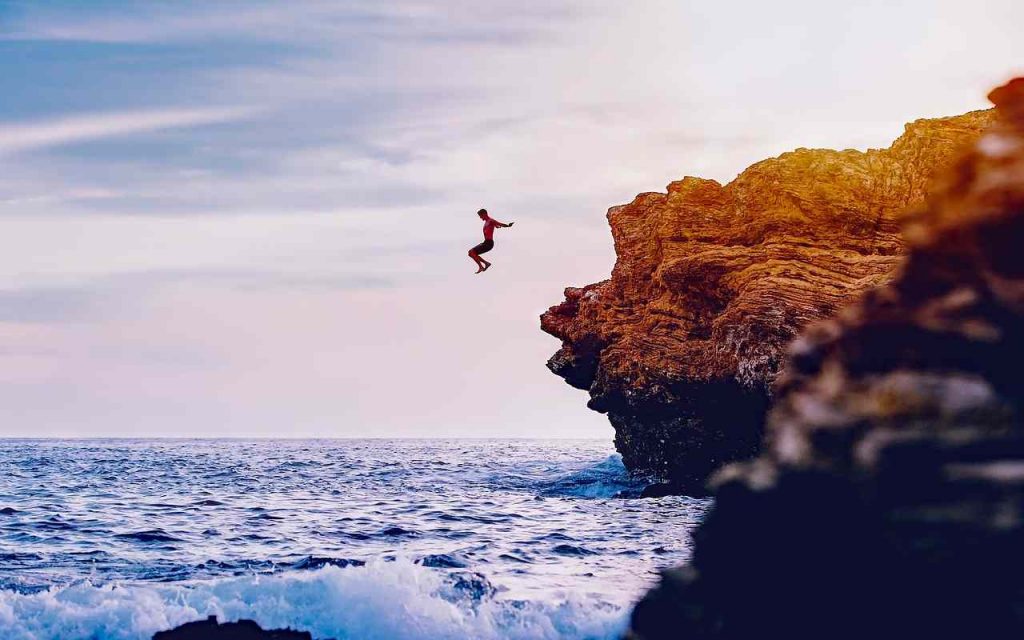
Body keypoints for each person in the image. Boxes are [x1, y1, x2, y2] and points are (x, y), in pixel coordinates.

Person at [468, 208, 514, 273]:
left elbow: (499, 223)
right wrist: (496, 226)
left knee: (471, 252)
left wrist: (508, 225)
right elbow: (496, 225)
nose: (480, 218)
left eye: (480, 216)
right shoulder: (486, 223)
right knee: (471, 253)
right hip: (486, 242)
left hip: (489, 243)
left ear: (484, 214)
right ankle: (486, 264)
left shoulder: (491, 221)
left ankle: (481, 267)